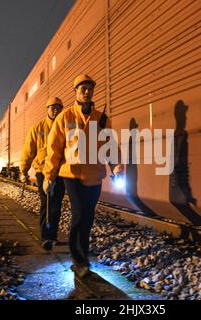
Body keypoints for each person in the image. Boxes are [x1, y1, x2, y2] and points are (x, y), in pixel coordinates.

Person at [42, 75, 122, 278]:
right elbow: (54, 150)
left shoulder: (102, 119)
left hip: (94, 175)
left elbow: (110, 146)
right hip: (72, 175)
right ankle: (79, 261)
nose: (86, 91)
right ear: (75, 91)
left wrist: (117, 168)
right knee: (78, 215)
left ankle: (82, 257)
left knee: (88, 217)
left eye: (89, 88)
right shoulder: (65, 117)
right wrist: (49, 176)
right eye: (82, 88)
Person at [20, 97, 65, 251]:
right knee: (46, 203)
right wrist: (23, 170)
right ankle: (46, 237)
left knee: (57, 205)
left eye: (58, 107)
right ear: (47, 109)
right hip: (42, 171)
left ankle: (53, 235)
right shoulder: (37, 128)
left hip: (60, 171)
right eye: (52, 107)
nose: (55, 110)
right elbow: (28, 150)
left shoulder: (66, 126)